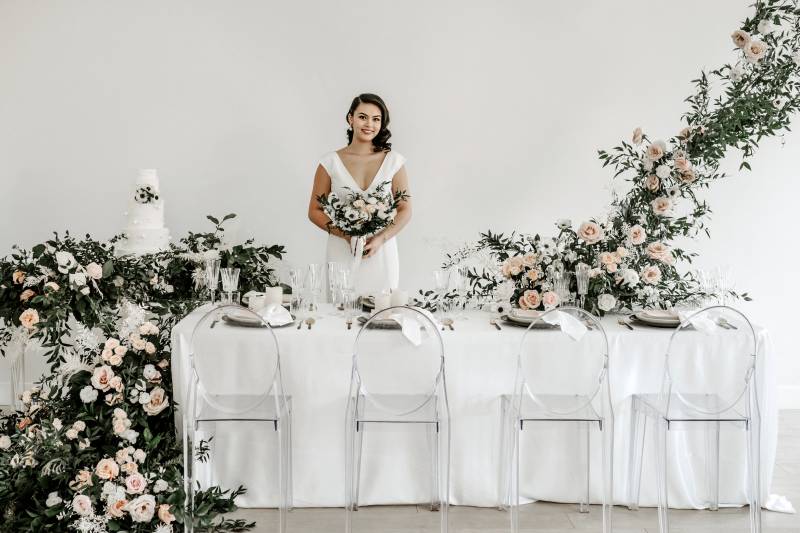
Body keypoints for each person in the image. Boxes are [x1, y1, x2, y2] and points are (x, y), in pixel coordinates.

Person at [308, 93, 411, 295]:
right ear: (350, 118)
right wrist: (346, 235)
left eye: (376, 119)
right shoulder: (330, 162)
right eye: (363, 117)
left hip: (381, 251)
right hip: (342, 250)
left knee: (382, 310)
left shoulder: (393, 161)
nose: (369, 124)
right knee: (340, 312)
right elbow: (314, 211)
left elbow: (405, 209)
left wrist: (381, 239)